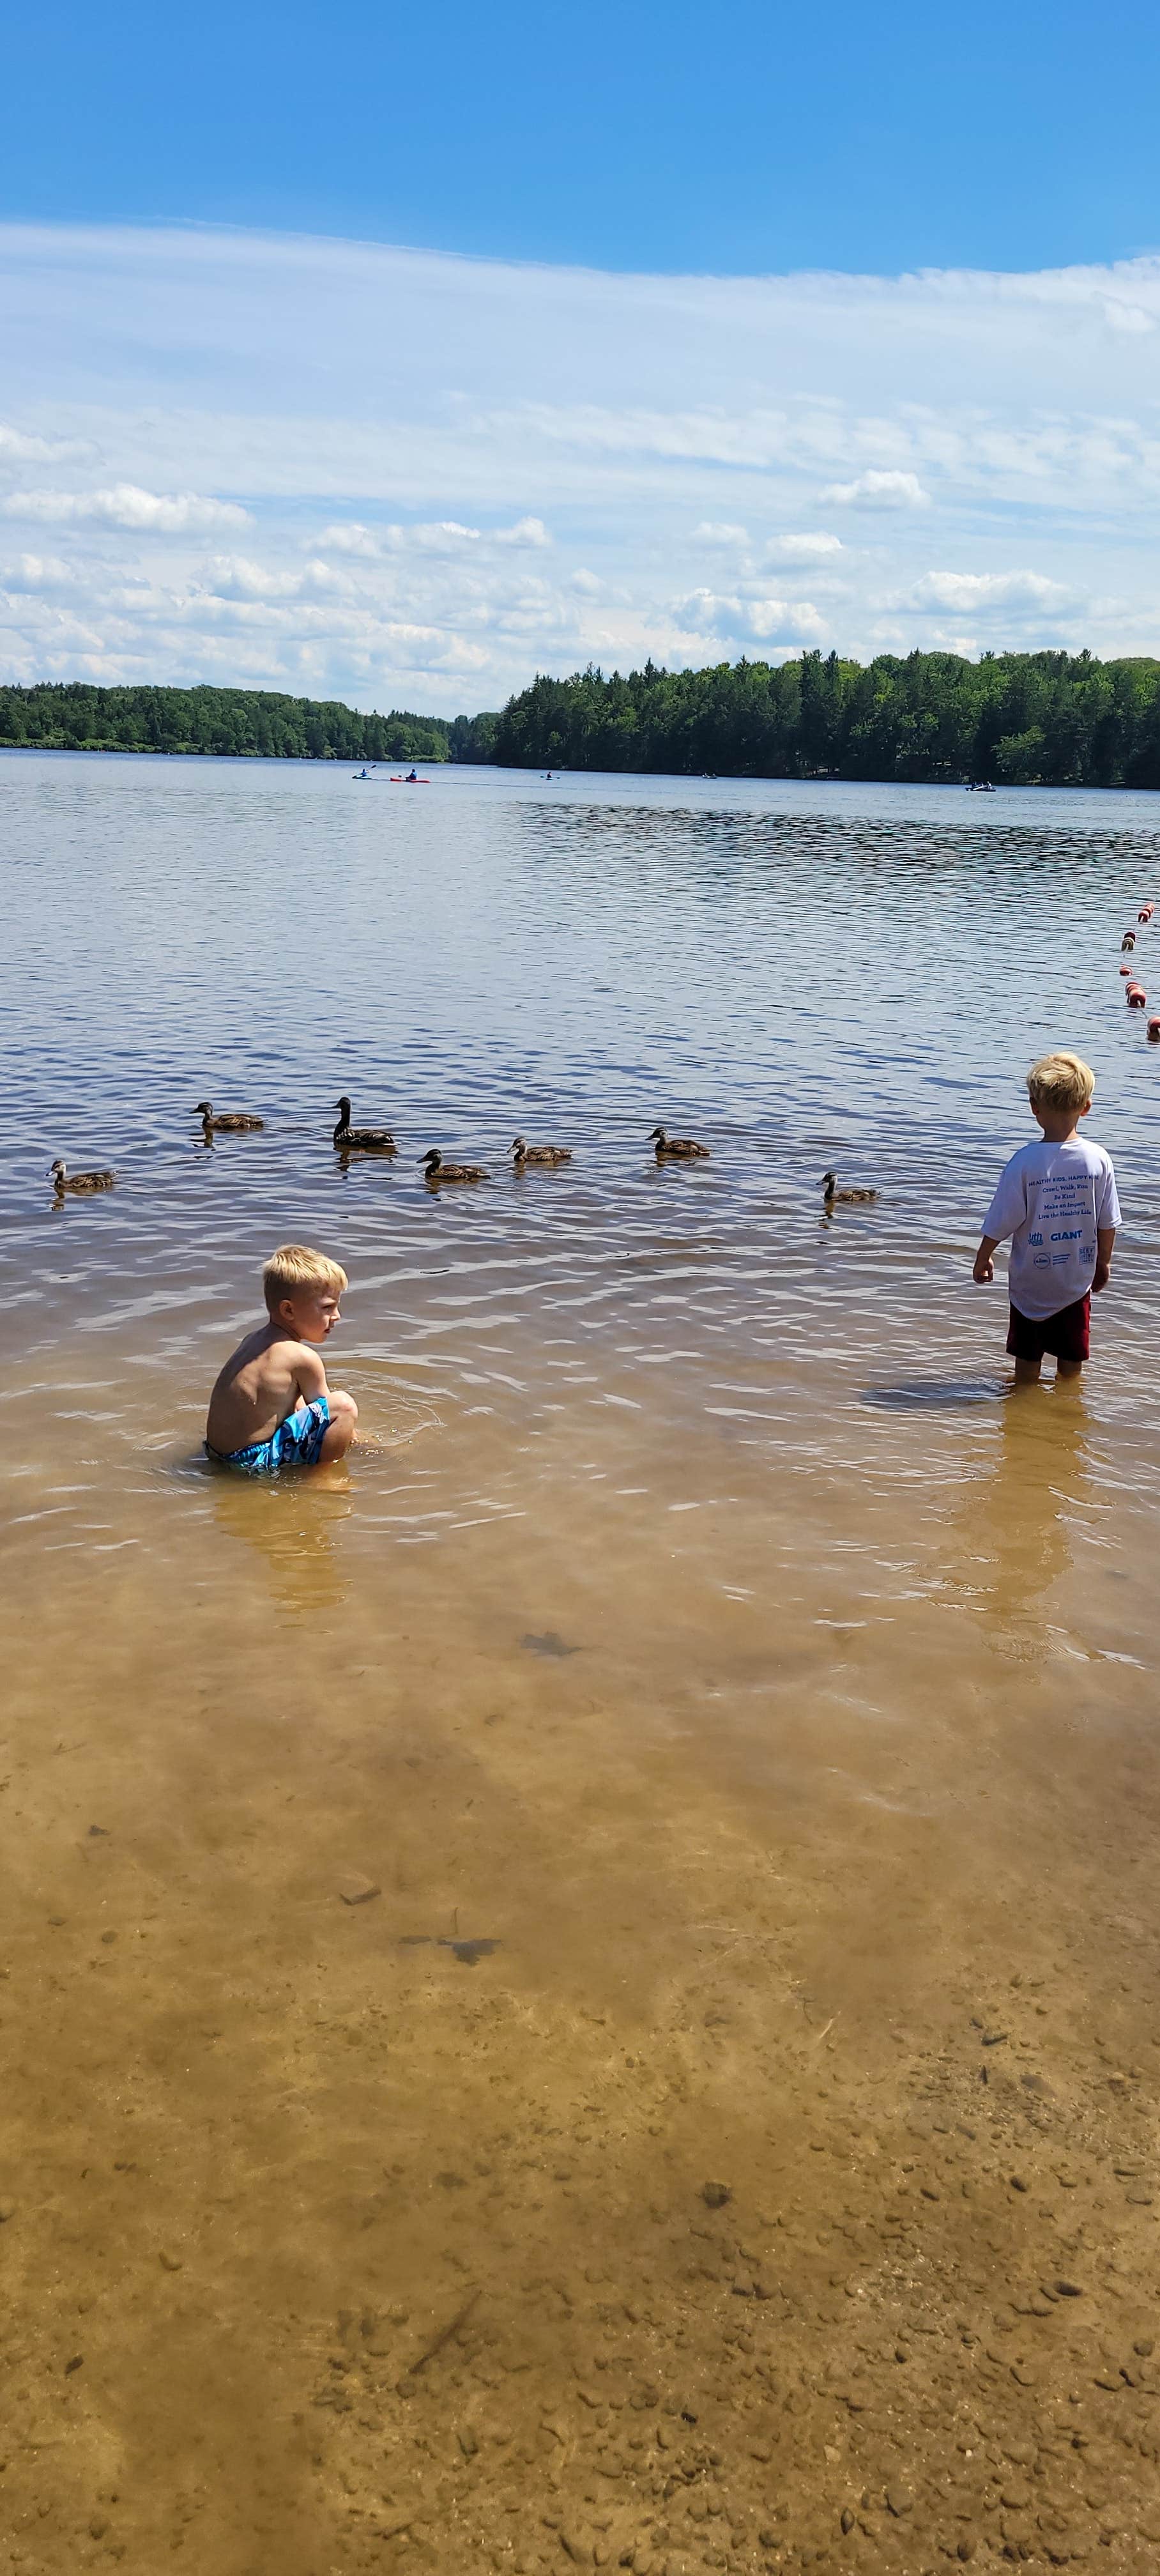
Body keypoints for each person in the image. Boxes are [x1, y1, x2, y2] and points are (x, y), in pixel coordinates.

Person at [972, 1052, 1120, 1384]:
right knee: (1071, 1364)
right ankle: (1067, 1409)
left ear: (1034, 1107)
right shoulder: (1098, 1160)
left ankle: (1024, 1408)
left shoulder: (1024, 1162)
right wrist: (1104, 1262)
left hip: (1031, 1285)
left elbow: (1002, 1218)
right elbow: (1108, 1221)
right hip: (1075, 1281)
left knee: (1026, 1364)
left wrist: (984, 1256)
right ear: (1086, 1107)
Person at [204, 1243, 358, 1471]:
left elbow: (297, 1405)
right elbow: (329, 1417)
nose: (337, 1316)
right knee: (343, 1407)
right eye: (328, 1307)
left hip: (217, 1456)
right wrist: (356, 1439)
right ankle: (324, 1476)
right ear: (289, 1311)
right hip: (254, 1463)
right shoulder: (302, 1357)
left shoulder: (253, 1340)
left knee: (304, 1401)